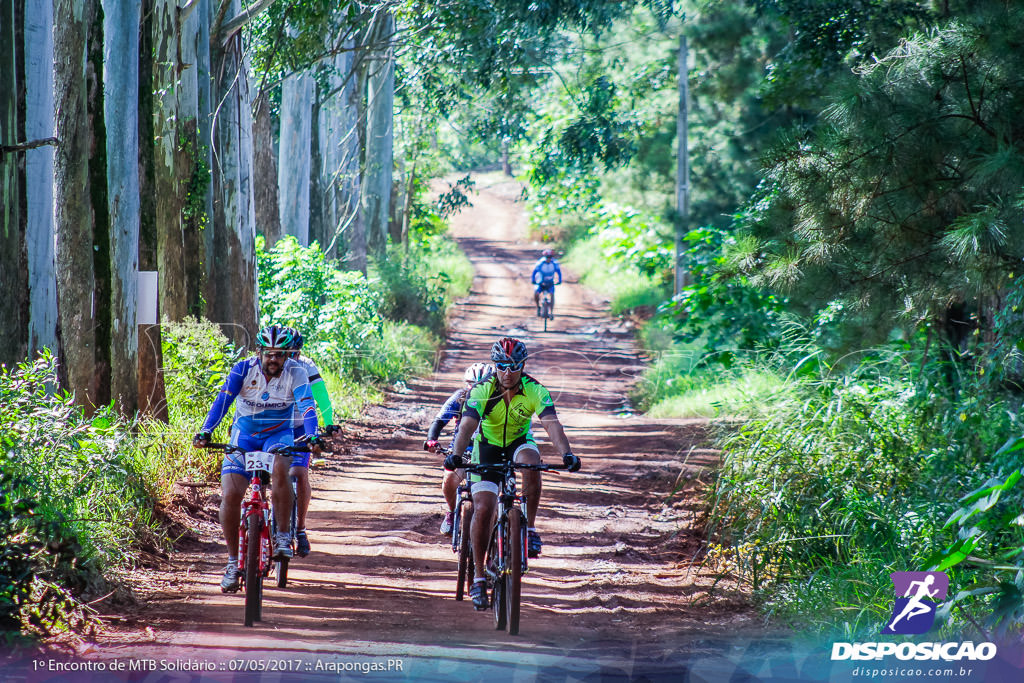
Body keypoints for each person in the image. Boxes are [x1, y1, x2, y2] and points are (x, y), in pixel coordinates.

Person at [448, 337, 581, 611]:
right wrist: (456, 455)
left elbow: (552, 425)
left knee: (532, 462)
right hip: (486, 448)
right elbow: (467, 427)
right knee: (483, 508)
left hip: (518, 444)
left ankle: (529, 528)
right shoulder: (482, 390)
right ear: (495, 365)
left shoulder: (535, 389)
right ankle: (479, 578)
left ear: (523, 365)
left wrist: (567, 454)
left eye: (514, 366)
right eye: (502, 366)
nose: (508, 373)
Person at [192, 324, 323, 593]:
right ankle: (232, 562)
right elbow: (222, 402)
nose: (273, 359)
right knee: (230, 494)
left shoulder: (296, 372)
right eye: (268, 354)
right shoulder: (242, 369)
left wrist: (313, 435)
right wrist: (206, 430)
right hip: (244, 436)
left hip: (278, 435)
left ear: (287, 356)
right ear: (259, 352)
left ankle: (284, 535)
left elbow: (307, 405)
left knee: (280, 468)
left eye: (279, 354)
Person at [423, 362, 494, 535]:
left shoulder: (499, 401)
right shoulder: (459, 397)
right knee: (449, 479)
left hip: (489, 451)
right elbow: (439, 420)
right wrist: (432, 440)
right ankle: (452, 511)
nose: (476, 389)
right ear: (466, 384)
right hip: (463, 452)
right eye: (472, 384)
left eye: (482, 385)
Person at [285, 330, 338, 558]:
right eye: (287, 352)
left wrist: (330, 423)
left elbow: (321, 395)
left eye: (295, 353)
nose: (291, 358)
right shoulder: (267, 366)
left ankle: (301, 528)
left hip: (300, 426)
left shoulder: (306, 366)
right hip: (274, 426)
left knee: (298, 472)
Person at [531, 248, 562, 317]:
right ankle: (538, 307)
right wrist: (533, 280)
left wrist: (560, 280)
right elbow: (534, 272)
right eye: (547, 257)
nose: (549, 259)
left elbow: (559, 272)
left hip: (550, 283)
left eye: (550, 257)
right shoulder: (540, 263)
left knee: (552, 294)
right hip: (540, 282)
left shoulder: (554, 263)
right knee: (536, 293)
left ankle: (551, 312)